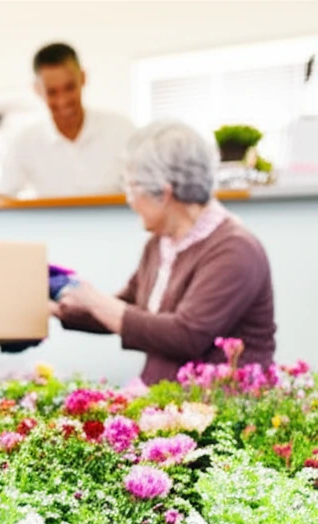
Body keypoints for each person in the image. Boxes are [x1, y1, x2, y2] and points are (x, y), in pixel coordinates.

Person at [53, 119, 276, 385]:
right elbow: (129, 309)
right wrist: (56, 305)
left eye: (132, 188)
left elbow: (187, 336)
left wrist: (93, 299)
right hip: (163, 404)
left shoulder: (235, 250)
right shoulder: (160, 242)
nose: (130, 200)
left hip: (219, 409)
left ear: (165, 192)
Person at [0, 42, 136, 199]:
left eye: (70, 88)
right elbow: (4, 197)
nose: (63, 101)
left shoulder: (122, 130)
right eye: (52, 92)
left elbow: (148, 190)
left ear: (83, 78)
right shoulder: (25, 143)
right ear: (37, 89)